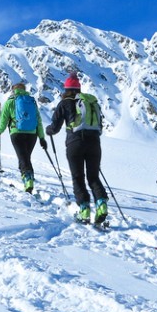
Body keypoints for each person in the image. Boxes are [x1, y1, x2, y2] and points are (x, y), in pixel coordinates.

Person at [45, 72, 108, 226]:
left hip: (75, 143)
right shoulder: (90, 102)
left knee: (78, 177)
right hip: (94, 142)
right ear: (78, 89)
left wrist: (48, 131)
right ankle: (101, 205)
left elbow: (55, 127)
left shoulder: (65, 103)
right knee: (93, 177)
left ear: (66, 89)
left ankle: (84, 210)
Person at [0, 82, 47, 193]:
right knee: (25, 157)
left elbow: (4, 119)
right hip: (32, 134)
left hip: (17, 133)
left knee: (23, 157)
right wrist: (42, 137)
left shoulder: (11, 101)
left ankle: (28, 179)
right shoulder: (31, 101)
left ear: (13, 90)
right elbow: (38, 120)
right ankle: (28, 177)